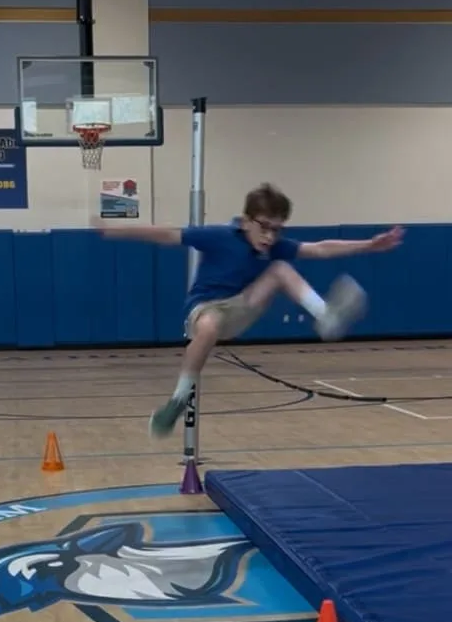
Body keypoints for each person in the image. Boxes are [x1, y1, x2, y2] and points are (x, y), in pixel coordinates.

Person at [94, 183, 404, 438]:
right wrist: (114, 231)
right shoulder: (220, 237)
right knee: (210, 325)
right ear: (246, 222)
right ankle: (177, 400)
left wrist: (368, 245)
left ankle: (326, 316)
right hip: (205, 309)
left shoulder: (275, 248)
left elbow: (320, 247)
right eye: (265, 228)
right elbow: (165, 235)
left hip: (243, 306)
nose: (270, 237)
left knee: (281, 268)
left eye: (277, 230)